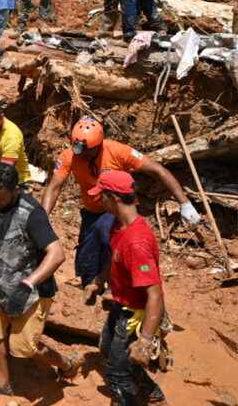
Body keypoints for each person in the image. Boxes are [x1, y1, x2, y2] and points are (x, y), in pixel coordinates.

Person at [41, 117, 201, 287]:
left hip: (116, 210)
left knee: (109, 239)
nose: (83, 155)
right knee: (87, 256)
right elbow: (54, 187)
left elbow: (158, 170)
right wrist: (41, 220)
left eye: (88, 151)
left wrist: (185, 203)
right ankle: (91, 287)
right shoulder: (70, 156)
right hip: (91, 211)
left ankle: (116, 286)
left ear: (99, 145)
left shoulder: (118, 151)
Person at [0, 163, 83, 396]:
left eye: (2, 199)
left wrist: (29, 282)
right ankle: (2, 383)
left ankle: (66, 363)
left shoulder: (32, 214)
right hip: (2, 282)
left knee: (24, 348)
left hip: (32, 290)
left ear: (16, 190)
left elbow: (57, 254)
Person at [84, 171, 168, 406]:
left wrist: (145, 340)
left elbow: (155, 293)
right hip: (121, 305)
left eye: (102, 196)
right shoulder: (118, 226)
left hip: (136, 312)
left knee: (116, 375)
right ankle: (151, 393)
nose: (99, 201)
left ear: (114, 198)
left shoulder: (136, 242)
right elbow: (114, 259)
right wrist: (99, 281)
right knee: (107, 347)